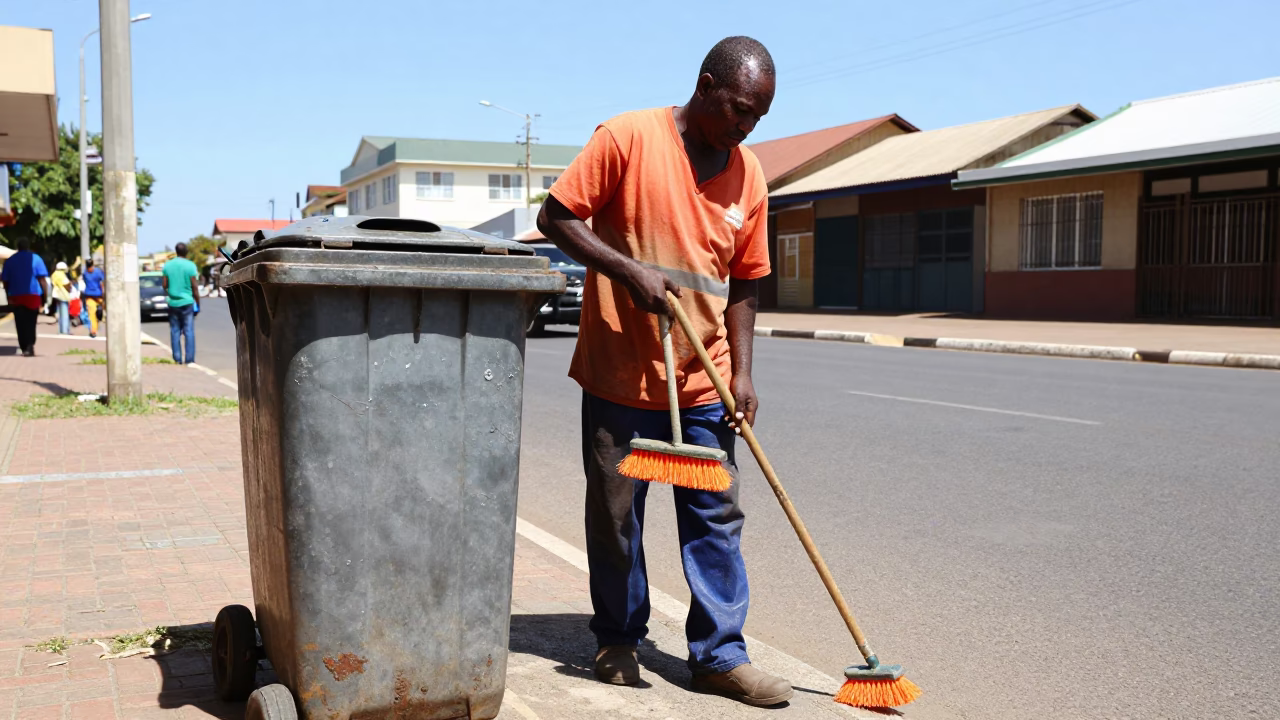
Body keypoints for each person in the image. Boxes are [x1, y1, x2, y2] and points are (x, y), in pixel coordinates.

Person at [536, 37, 787, 706]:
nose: (744, 127)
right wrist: (625, 269)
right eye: (738, 109)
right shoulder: (627, 138)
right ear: (706, 85)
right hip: (623, 377)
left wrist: (743, 376)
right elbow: (555, 217)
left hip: (703, 384)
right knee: (618, 519)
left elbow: (745, 282)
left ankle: (720, 657)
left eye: (757, 117)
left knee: (715, 517)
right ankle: (618, 637)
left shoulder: (750, 174)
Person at [1, 239, 51, 356]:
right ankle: (29, 345)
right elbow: (42, 280)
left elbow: (5, 281)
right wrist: (45, 296)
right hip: (32, 295)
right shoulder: (36, 258)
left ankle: (24, 346)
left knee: (20, 322)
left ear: (17, 246)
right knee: (31, 321)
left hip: (16, 295)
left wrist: (8, 295)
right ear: (28, 246)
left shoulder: (10, 260)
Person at [161, 242, 200, 364]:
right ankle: (189, 360)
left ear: (176, 251)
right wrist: (197, 302)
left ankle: (177, 359)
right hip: (187, 302)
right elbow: (194, 286)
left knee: (175, 331)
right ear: (186, 252)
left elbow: (164, 285)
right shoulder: (190, 266)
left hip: (173, 303)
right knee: (188, 331)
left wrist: (170, 292)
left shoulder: (168, 266)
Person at [81, 258, 105, 338]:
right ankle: (93, 331)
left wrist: (103, 294)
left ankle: (97, 324)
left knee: (99, 313)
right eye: (88, 268)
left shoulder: (88, 273)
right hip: (90, 296)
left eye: (90, 267)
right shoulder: (89, 272)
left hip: (98, 296)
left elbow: (102, 283)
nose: (89, 269)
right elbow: (102, 283)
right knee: (91, 314)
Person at [49, 261, 73, 334]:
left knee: (59, 313)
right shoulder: (62, 275)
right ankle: (65, 331)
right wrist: (70, 287)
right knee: (65, 313)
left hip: (56, 295)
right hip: (63, 295)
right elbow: (67, 285)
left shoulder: (53, 275)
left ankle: (60, 330)